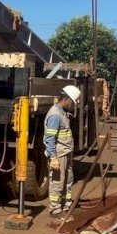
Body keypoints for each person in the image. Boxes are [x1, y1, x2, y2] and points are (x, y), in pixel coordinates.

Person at [43, 84, 81, 216]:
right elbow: (50, 138)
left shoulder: (62, 113)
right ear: (66, 100)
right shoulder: (55, 115)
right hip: (59, 154)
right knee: (57, 182)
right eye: (72, 103)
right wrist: (53, 157)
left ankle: (66, 206)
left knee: (68, 180)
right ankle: (55, 209)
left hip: (66, 152)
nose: (73, 106)